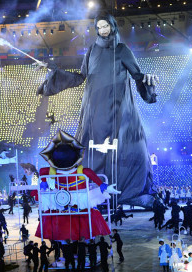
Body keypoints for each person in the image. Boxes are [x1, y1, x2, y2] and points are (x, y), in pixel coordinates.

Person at [36, 11, 159, 208]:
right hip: (94, 108)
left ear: (113, 26)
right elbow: (80, 77)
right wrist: (53, 71)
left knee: (131, 147)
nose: (103, 30)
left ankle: (131, 193)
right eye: (99, 27)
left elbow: (137, 75)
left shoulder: (122, 50)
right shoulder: (92, 50)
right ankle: (94, 193)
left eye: (106, 26)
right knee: (92, 148)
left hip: (118, 107)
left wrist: (148, 82)